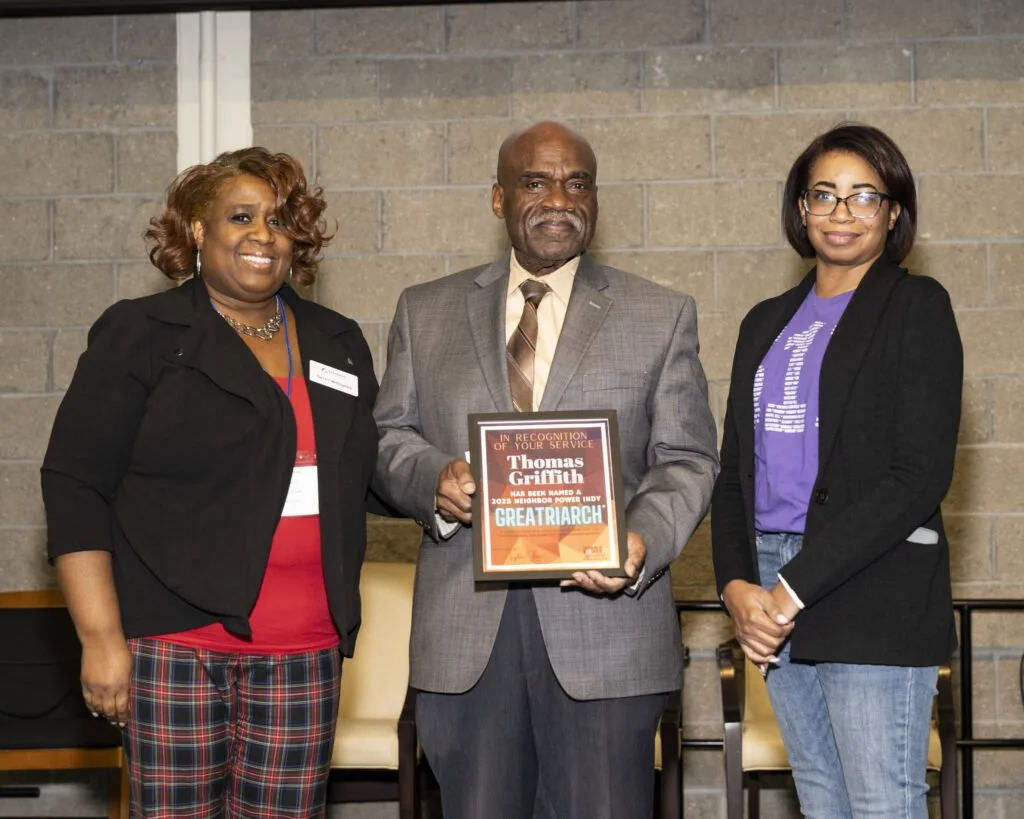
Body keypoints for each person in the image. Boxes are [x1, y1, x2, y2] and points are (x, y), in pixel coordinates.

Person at [372, 120, 719, 819]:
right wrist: (433, 479)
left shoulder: (660, 313)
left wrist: (643, 539)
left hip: (608, 625)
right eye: (536, 181)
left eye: (577, 182)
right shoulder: (426, 310)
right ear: (498, 199)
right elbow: (387, 438)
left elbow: (687, 458)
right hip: (466, 633)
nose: (559, 197)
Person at [41, 147, 380, 817]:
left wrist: (448, 479)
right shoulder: (141, 334)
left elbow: (374, 469)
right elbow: (75, 483)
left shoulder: (336, 340)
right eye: (241, 216)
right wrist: (101, 637)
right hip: (175, 647)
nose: (263, 234)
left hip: (306, 649)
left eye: (280, 220)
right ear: (199, 229)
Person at [712, 123, 963, 819]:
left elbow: (918, 475)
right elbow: (734, 470)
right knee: (822, 803)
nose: (842, 212)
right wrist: (739, 587)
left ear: (892, 211)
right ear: (800, 209)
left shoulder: (917, 308)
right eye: (824, 195)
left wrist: (791, 590)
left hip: (866, 584)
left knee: (881, 805)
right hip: (769, 591)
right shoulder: (765, 321)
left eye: (863, 196)